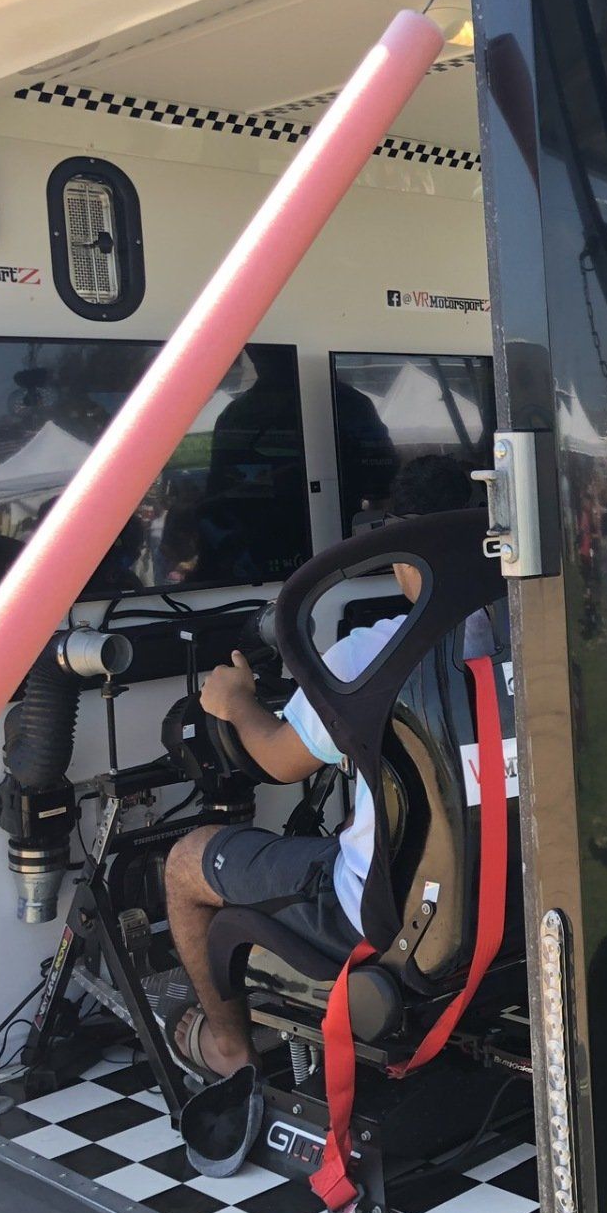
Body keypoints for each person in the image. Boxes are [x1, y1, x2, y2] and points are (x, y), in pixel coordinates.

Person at [161, 457, 482, 1078]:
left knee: (185, 863)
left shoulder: (368, 653)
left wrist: (236, 703)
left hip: (393, 911)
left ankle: (229, 1048)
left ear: (403, 549)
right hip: (509, 896)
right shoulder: (544, 640)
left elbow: (280, 761)